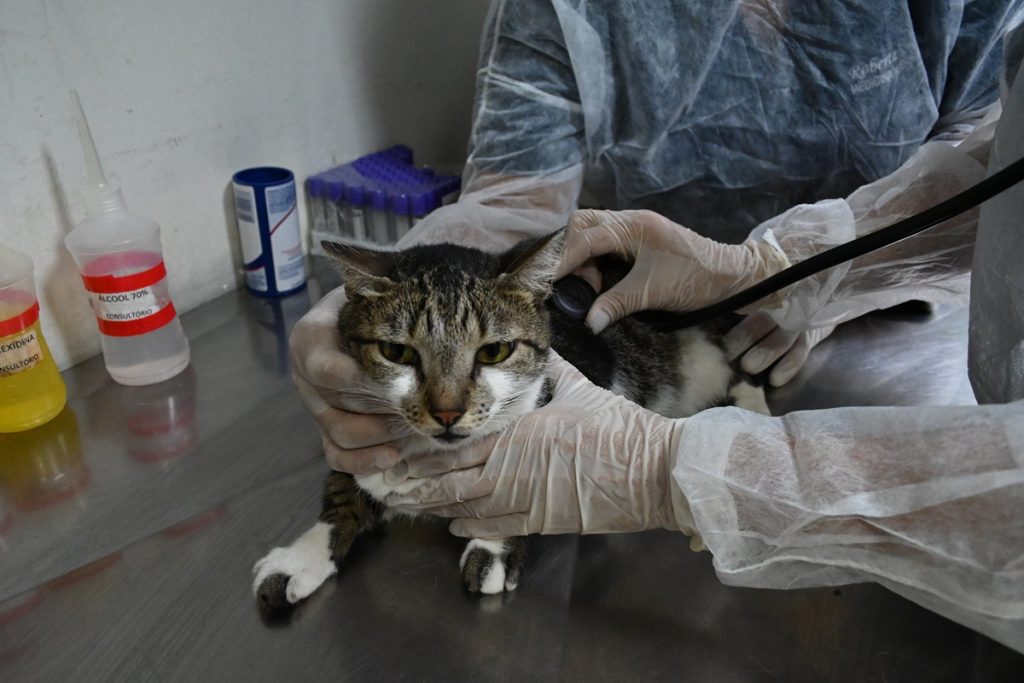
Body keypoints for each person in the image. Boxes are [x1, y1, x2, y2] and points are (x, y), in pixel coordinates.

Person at [289, 2, 1024, 650]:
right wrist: (783, 264)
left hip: (911, 371)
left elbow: (975, 134)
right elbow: (516, 197)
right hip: (631, 304)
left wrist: (671, 469)